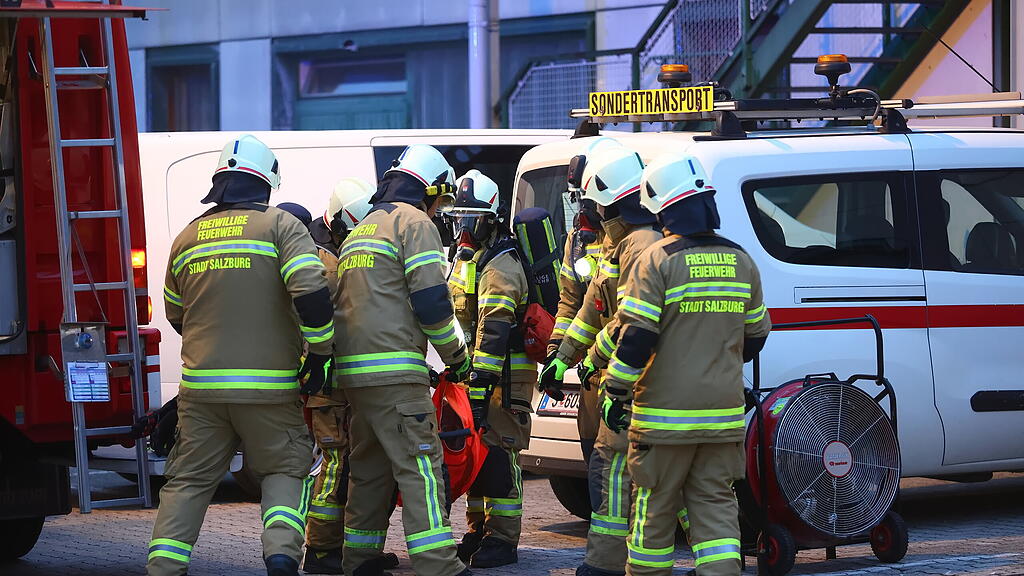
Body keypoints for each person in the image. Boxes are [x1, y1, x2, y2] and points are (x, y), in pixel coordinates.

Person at [150, 134, 335, 576]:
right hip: (270, 390)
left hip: (201, 393)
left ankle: (163, 568)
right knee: (284, 471)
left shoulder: (187, 236)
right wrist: (319, 355)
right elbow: (311, 293)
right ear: (266, 183)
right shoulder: (281, 227)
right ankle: (281, 559)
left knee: (189, 482)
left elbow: (177, 313)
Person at [602, 152, 771, 576]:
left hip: (663, 420)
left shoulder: (656, 260)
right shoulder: (741, 260)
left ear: (662, 207)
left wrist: (615, 391)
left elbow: (636, 337)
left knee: (653, 513)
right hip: (723, 416)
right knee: (716, 512)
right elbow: (756, 336)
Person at [333, 144, 472, 576]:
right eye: (440, 200)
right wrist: (458, 356)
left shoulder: (362, 230)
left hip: (356, 376)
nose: (439, 210)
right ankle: (438, 564)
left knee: (370, 471)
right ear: (430, 190)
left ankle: (359, 559)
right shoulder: (415, 224)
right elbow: (432, 303)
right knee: (421, 469)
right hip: (396, 375)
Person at [536, 145, 666, 576]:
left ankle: (611, 562)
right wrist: (560, 356)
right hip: (612, 372)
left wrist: (587, 362)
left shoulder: (641, 246)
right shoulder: (609, 243)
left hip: (632, 373)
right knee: (611, 465)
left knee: (624, 469)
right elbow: (585, 306)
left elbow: (626, 320)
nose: (586, 209)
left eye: (592, 201)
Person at [302, 178, 401, 574]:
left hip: (338, 381)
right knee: (335, 464)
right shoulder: (324, 263)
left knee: (346, 463)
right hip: (329, 385)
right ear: (341, 220)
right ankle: (321, 549)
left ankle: (347, 550)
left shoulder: (325, 251)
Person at [447, 170, 534, 568]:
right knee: (477, 455)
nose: (464, 228)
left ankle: (503, 540)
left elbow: (494, 330)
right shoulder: (471, 258)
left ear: (491, 218)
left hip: (503, 379)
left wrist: (479, 383)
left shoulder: (502, 264)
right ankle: (478, 528)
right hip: (477, 377)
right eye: (458, 218)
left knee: (500, 456)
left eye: (472, 220)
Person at [547, 136, 620, 463]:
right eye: (576, 198)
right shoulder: (577, 241)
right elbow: (571, 304)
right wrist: (556, 354)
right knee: (596, 460)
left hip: (626, 366)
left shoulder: (633, 242)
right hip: (592, 371)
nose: (581, 209)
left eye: (585, 199)